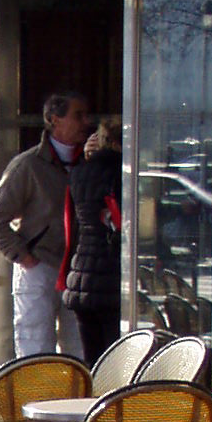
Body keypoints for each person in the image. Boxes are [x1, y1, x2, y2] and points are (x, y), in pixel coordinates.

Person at [0, 90, 93, 358]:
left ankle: (73, 399)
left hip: (77, 269)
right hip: (40, 266)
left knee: (78, 351)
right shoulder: (28, 166)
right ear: (55, 120)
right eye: (78, 116)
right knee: (36, 347)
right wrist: (23, 255)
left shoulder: (88, 163)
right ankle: (36, 398)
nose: (84, 123)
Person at [59, 121, 123, 365]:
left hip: (81, 272)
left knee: (92, 358)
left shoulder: (79, 172)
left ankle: (91, 400)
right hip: (111, 274)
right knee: (116, 359)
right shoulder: (120, 172)